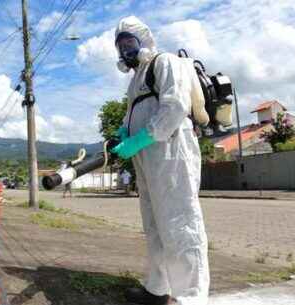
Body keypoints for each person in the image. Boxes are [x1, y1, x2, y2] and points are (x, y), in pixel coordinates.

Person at [109, 16, 209, 305]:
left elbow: (176, 106)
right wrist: (122, 134)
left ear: (144, 40)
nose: (125, 51)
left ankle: (192, 297)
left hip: (171, 152)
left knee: (180, 222)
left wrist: (140, 139)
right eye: (121, 45)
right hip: (147, 159)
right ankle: (156, 288)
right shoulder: (136, 79)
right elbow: (134, 115)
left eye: (129, 42)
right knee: (154, 225)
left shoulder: (165, 62)